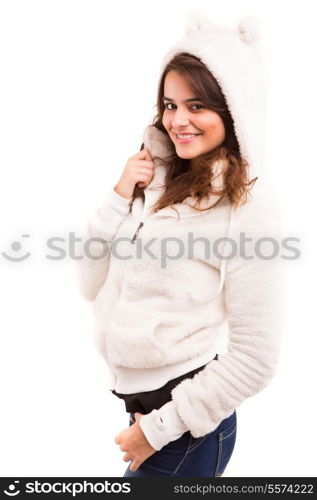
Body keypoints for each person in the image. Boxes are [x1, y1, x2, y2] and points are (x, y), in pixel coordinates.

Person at [76, 10, 284, 477]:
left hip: (187, 428)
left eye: (197, 106)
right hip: (145, 414)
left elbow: (256, 359)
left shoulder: (248, 202)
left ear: (233, 109)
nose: (178, 120)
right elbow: (91, 284)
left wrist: (154, 431)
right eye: (170, 105)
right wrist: (119, 195)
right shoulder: (160, 180)